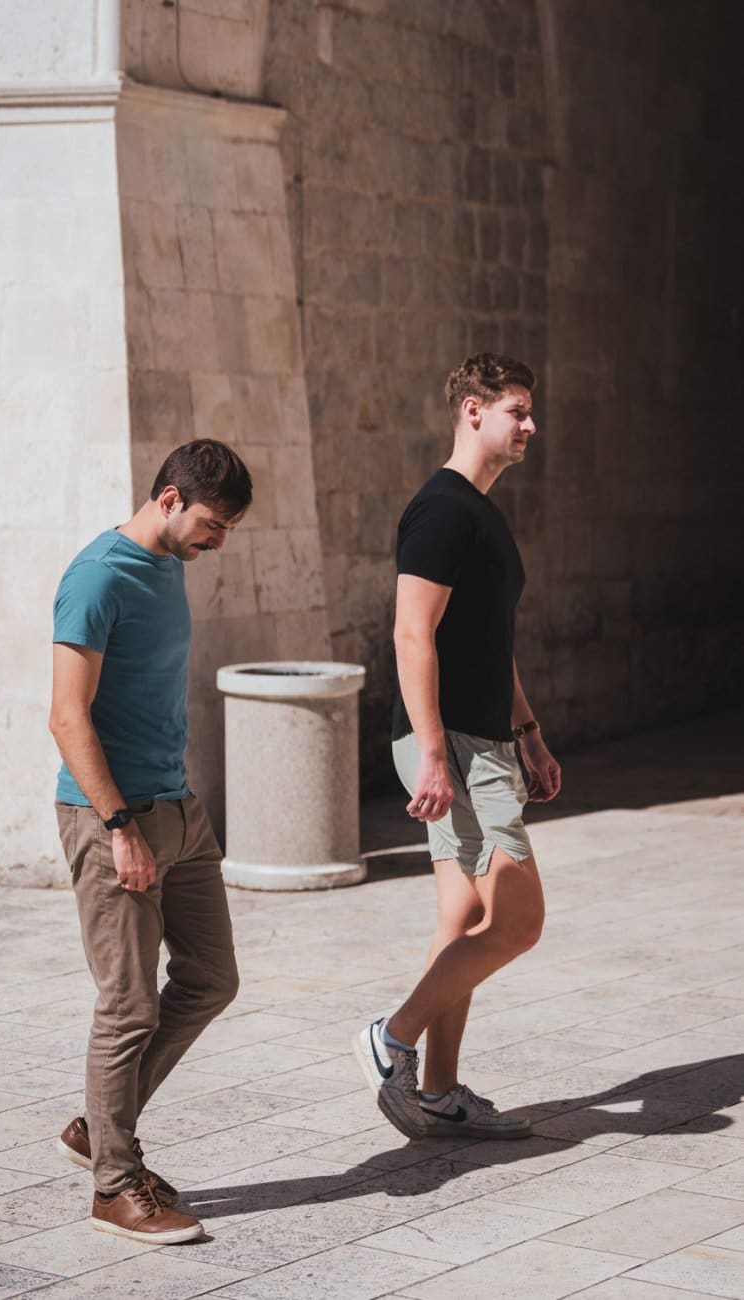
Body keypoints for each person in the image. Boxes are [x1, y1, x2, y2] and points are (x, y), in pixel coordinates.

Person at [48, 439, 252, 1244]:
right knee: (129, 1004)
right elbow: (67, 716)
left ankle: (98, 1125)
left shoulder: (170, 563)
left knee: (211, 978)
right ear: (169, 499)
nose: (219, 542)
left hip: (178, 809)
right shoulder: (96, 578)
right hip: (115, 818)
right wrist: (118, 826)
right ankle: (112, 1184)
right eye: (213, 524)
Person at [354, 353, 561, 1141]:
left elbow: (486, 643)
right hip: (457, 745)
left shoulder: (479, 510)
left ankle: (438, 1090)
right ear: (472, 410)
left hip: (484, 739)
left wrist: (528, 733)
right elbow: (412, 634)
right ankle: (392, 1038)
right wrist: (434, 754)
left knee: (464, 916)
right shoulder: (442, 510)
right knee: (518, 920)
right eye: (517, 410)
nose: (530, 424)